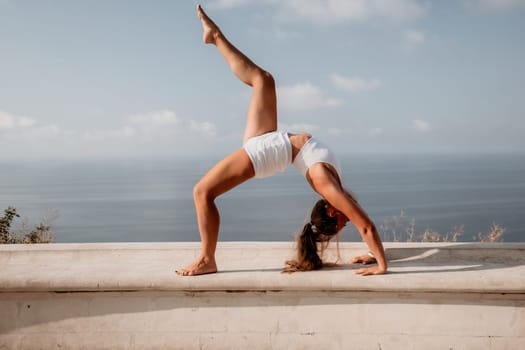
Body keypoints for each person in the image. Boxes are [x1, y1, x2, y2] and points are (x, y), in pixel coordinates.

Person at [176, 5, 387, 276]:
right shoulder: (333, 188)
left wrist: (377, 259)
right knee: (264, 80)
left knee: (202, 193)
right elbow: (366, 226)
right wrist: (377, 260)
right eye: (344, 224)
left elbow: (363, 224)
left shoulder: (327, 186)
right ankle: (215, 36)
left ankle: (207, 259)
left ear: (332, 213)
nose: (349, 222)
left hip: (269, 151)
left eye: (343, 225)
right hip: (270, 143)